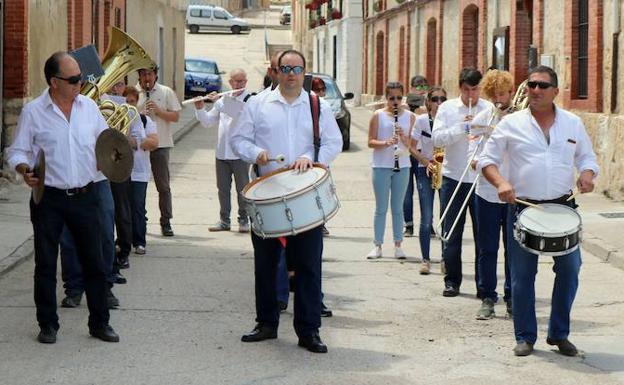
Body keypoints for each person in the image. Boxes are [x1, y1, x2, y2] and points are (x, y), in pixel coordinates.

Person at [479, 65, 599, 357]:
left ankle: (559, 334)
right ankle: (525, 336)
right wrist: (502, 182)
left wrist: (587, 175)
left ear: (556, 91)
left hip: (563, 207)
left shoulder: (572, 123)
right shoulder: (511, 124)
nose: (535, 90)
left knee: (570, 271)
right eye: (531, 84)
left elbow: (588, 158)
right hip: (523, 208)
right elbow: (486, 160)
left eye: (542, 85)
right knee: (522, 276)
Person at [231, 50, 342, 353]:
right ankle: (266, 323)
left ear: (305, 72)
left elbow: (334, 142)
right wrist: (256, 154)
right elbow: (237, 139)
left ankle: (308, 331)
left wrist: (311, 157)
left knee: (308, 265)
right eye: (286, 68)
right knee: (266, 265)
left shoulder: (318, 106)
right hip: (267, 194)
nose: (292, 74)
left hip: (305, 196)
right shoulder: (257, 104)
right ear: (275, 71)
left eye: (297, 68)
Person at [7, 52, 119, 343]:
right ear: (54, 82)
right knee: (45, 263)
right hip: (49, 199)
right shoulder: (33, 111)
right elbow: (16, 151)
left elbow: (106, 145)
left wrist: (114, 157)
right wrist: (23, 168)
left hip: (86, 195)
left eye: (80, 77)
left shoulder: (90, 108)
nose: (80, 83)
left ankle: (99, 323)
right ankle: (48, 324)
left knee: (94, 262)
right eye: (73, 79)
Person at [432, 68, 492, 297]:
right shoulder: (447, 109)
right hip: (453, 176)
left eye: (475, 90)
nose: (470, 95)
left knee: (482, 235)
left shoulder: (488, 109)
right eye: (466, 90)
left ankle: (483, 285)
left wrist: (480, 129)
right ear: (460, 88)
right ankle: (452, 281)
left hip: (479, 179)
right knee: (451, 232)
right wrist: (462, 128)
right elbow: (437, 139)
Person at [468, 69, 514, 320]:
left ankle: (511, 297)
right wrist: (478, 161)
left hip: (513, 192)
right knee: (487, 248)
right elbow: (471, 153)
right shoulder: (481, 118)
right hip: (486, 191)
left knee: (513, 249)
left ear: (510, 92)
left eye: (503, 94)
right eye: (494, 94)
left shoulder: (521, 118)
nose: (499, 99)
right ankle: (487, 297)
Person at [194, 69, 251, 233]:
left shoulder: (250, 99)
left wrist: (218, 101)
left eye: (242, 81)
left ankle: (244, 219)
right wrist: (200, 108)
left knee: (242, 189)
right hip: (222, 153)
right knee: (223, 189)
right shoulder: (224, 100)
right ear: (230, 82)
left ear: (245, 82)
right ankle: (224, 220)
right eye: (235, 81)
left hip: (239, 154)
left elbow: (237, 112)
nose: (238, 84)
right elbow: (207, 122)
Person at [365, 82, 415, 260]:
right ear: (386, 98)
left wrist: (403, 137)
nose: (395, 101)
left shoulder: (409, 117)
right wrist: (386, 143)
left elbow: (413, 146)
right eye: (392, 98)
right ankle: (377, 246)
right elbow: (370, 142)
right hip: (381, 166)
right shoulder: (378, 116)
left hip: (402, 165)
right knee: (381, 208)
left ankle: (398, 245)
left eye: (399, 98)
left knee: (398, 208)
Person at [136, 65, 182, 237]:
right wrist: (141, 112)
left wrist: (159, 111)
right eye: (143, 74)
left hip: (161, 145)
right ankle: (141, 220)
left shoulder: (166, 92)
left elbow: (176, 117)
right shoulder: (133, 92)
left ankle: (166, 221)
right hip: (140, 147)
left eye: (149, 74)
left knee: (163, 186)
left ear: (155, 75)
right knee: (138, 186)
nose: (146, 78)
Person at [407, 86, 446, 274]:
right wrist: (425, 161)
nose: (439, 103)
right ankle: (425, 259)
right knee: (426, 217)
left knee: (446, 217)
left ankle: (446, 259)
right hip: (426, 170)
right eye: (436, 99)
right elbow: (411, 147)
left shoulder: (449, 120)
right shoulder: (422, 121)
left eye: (443, 100)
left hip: (445, 171)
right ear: (428, 102)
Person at [124, 86, 159, 255]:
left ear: (137, 102)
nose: (130, 104)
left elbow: (154, 142)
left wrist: (138, 142)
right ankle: (123, 241)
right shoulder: (116, 119)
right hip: (120, 172)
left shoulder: (145, 120)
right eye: (126, 101)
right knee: (122, 209)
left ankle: (139, 241)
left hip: (139, 172)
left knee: (138, 208)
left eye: (132, 101)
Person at [403, 75, 430, 237]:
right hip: (406, 153)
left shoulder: (429, 107)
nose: (420, 91)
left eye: (423, 87)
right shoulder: (404, 107)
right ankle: (409, 225)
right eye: (417, 87)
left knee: (424, 192)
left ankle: (428, 224)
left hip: (422, 154)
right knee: (407, 191)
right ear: (411, 88)